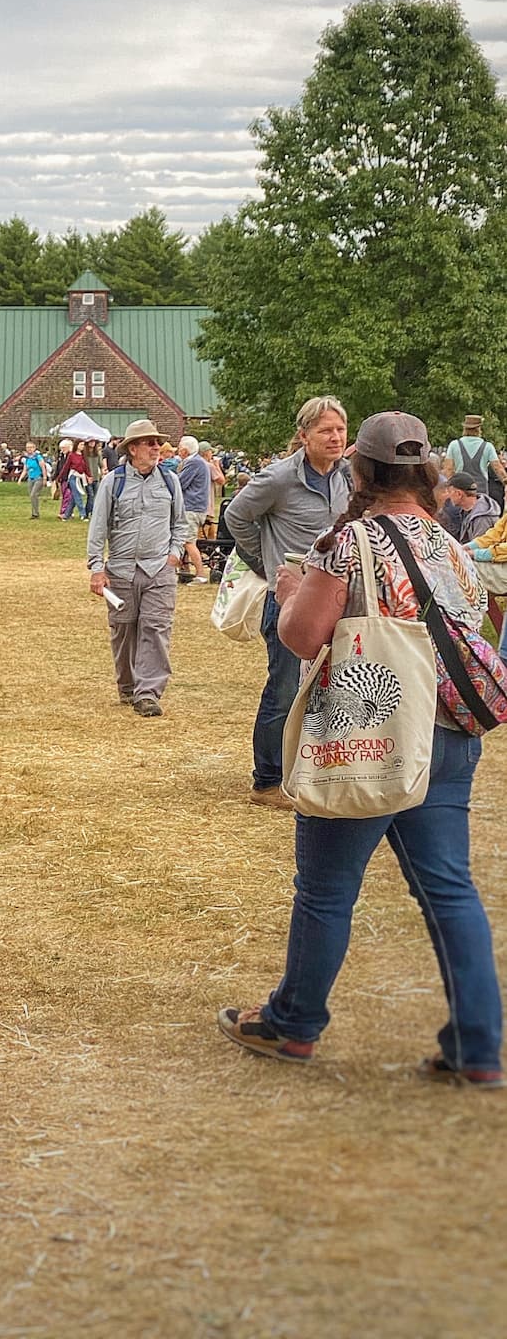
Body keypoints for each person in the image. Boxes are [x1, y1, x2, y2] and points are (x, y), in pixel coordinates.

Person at [218, 412, 502, 1088]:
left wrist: (288, 592)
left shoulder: (350, 544)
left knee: (325, 890)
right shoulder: (454, 546)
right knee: (450, 890)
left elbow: (304, 636)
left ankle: (293, 1023)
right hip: (449, 733)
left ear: (363, 471)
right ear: (425, 472)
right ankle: (479, 1047)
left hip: (366, 732)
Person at [224, 396, 353, 809]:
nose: (335, 438)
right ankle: (267, 781)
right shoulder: (278, 478)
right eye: (325, 431)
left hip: (334, 600)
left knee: (332, 689)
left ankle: (314, 771)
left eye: (340, 430)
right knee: (283, 690)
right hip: (288, 603)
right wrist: (263, 562)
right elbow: (236, 517)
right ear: (303, 436)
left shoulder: (347, 477)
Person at [86, 418, 184, 717]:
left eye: (158, 443)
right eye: (150, 443)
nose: (157, 448)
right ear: (132, 448)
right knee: (124, 630)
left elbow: (179, 523)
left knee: (155, 629)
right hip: (121, 570)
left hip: (159, 570)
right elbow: (98, 526)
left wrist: (175, 553)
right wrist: (96, 567)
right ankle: (128, 687)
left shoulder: (170, 481)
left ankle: (148, 693)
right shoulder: (112, 482)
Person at [441, 414, 506, 508]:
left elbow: (448, 469)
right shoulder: (487, 446)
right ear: (479, 429)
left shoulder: (454, 445)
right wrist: (505, 482)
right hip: (481, 492)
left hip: (460, 491)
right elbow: (497, 468)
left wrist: (450, 487)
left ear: (465, 428)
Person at [176, 434, 212, 584]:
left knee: (188, 541)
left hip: (192, 507)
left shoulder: (194, 463)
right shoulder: (199, 462)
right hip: (197, 507)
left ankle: (201, 574)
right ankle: (185, 571)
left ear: (185, 450)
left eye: (180, 448)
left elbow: (179, 483)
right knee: (185, 540)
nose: (178, 451)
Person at [440, 471, 498, 546]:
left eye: (450, 491)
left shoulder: (481, 519)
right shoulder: (467, 510)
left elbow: (479, 549)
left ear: (459, 494)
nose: (448, 496)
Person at [22, 440, 50, 519]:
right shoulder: (27, 458)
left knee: (33, 494)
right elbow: (25, 469)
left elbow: (43, 467)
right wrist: (20, 478)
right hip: (31, 478)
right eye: (27, 447)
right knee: (32, 497)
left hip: (39, 478)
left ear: (34, 448)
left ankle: (35, 513)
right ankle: (34, 513)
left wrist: (44, 478)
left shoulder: (38, 457)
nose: (29, 449)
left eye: (31, 447)